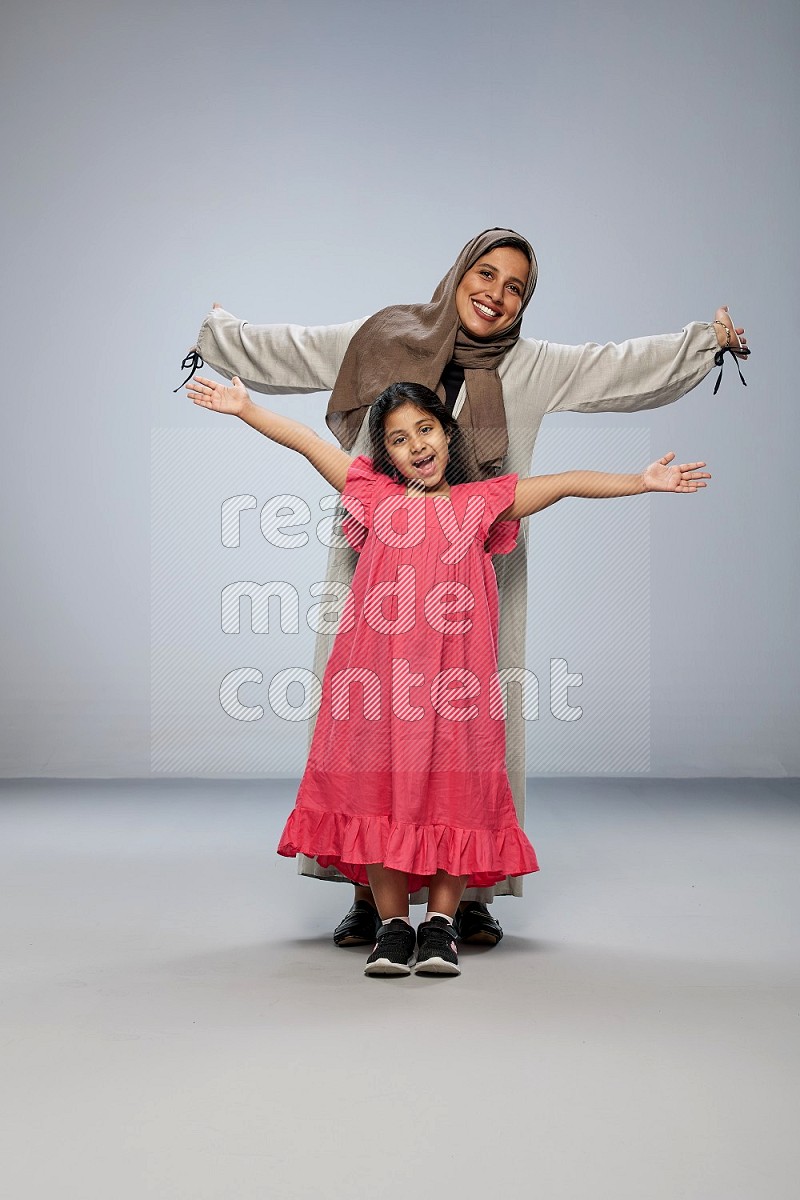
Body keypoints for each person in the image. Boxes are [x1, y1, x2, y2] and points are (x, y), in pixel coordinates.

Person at [185, 227, 748, 950]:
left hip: (479, 567)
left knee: (472, 732)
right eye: (486, 274)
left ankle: (471, 893)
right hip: (374, 560)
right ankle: (369, 893)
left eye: (516, 287)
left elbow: (617, 369)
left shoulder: (534, 365)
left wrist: (704, 344)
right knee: (366, 731)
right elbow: (291, 355)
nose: (497, 294)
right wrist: (222, 336)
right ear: (458, 274)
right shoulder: (383, 336)